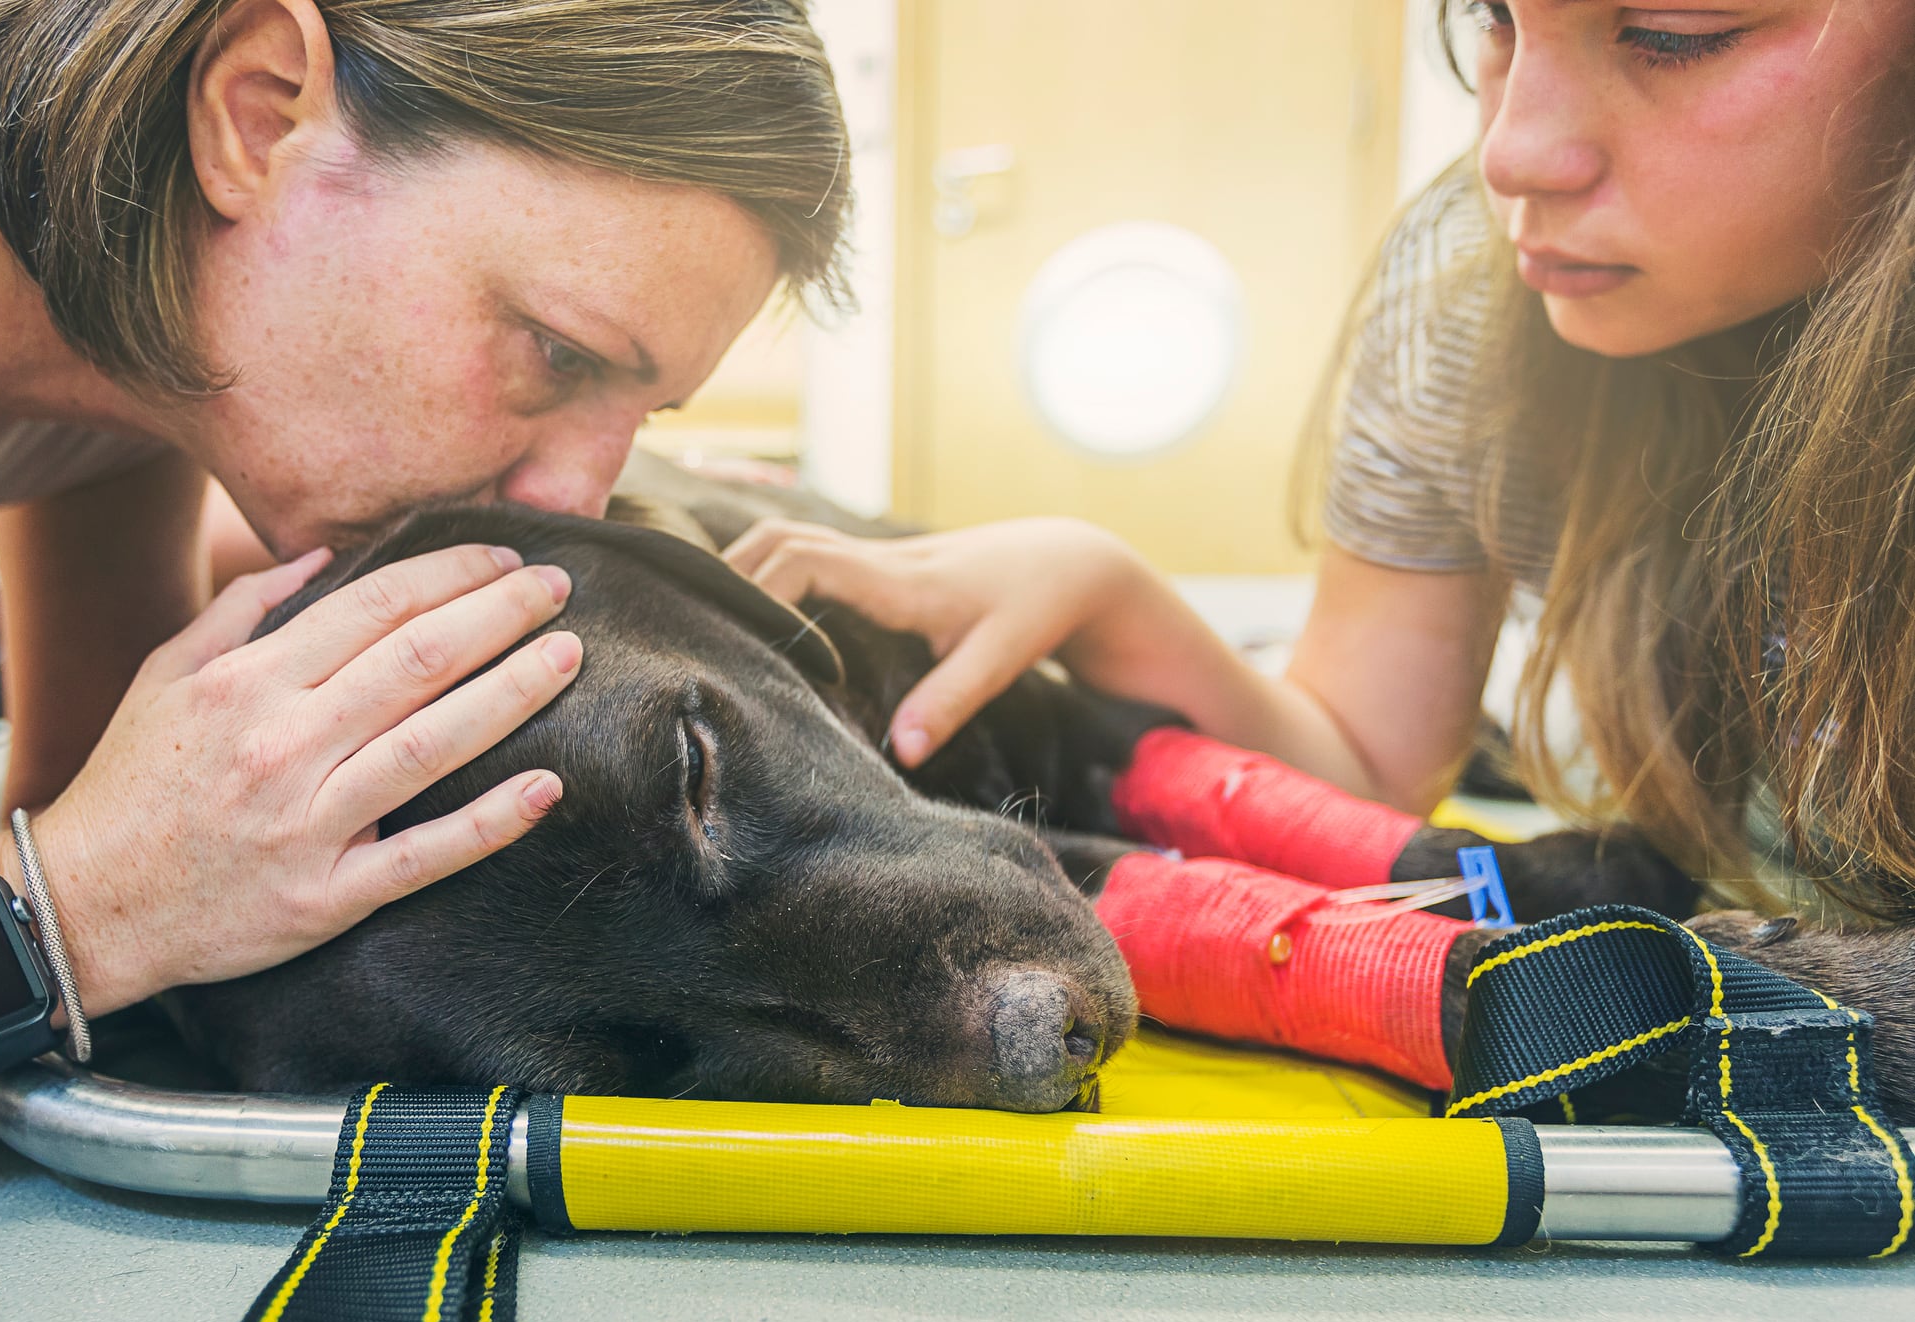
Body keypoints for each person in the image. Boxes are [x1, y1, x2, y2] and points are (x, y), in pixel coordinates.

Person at [0, 0, 848, 1130]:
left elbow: (84, 799)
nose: (575, 499)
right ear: (259, 114)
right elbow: (87, 875)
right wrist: (79, 912)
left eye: (642, 412)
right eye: (557, 351)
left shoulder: (145, 385)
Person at [729, 0, 1915, 923]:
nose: (1514, 155)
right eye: (1491, 19)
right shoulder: (1472, 293)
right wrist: (1100, 585)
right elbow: (1363, 769)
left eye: (1671, 35)